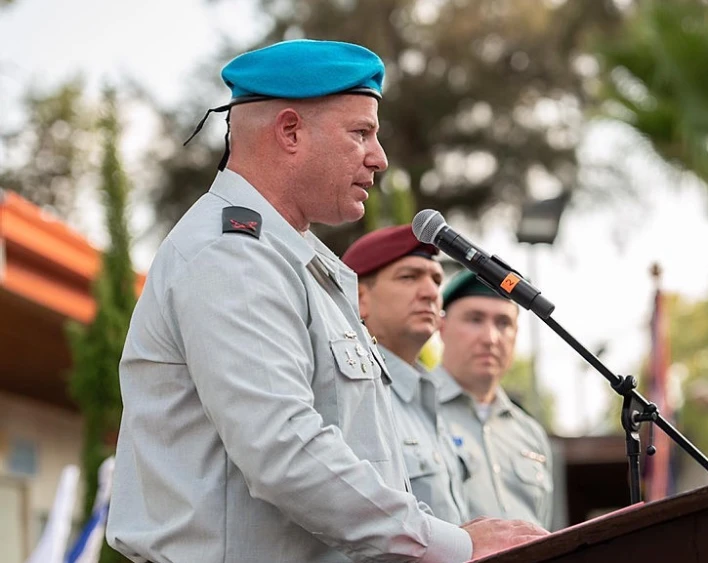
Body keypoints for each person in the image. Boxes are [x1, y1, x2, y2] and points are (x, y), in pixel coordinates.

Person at [106, 39, 546, 563]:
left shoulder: (295, 258)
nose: (378, 158)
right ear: (290, 131)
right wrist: (452, 546)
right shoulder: (231, 256)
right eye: (360, 132)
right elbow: (283, 448)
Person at [341, 225, 469, 524]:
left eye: (436, 279)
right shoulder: (354, 394)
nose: (430, 292)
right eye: (408, 277)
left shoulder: (428, 397)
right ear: (360, 299)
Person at [433, 270, 554, 530]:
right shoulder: (411, 411)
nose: (490, 338)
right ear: (441, 328)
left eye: (503, 323)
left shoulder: (530, 434)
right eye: (474, 319)